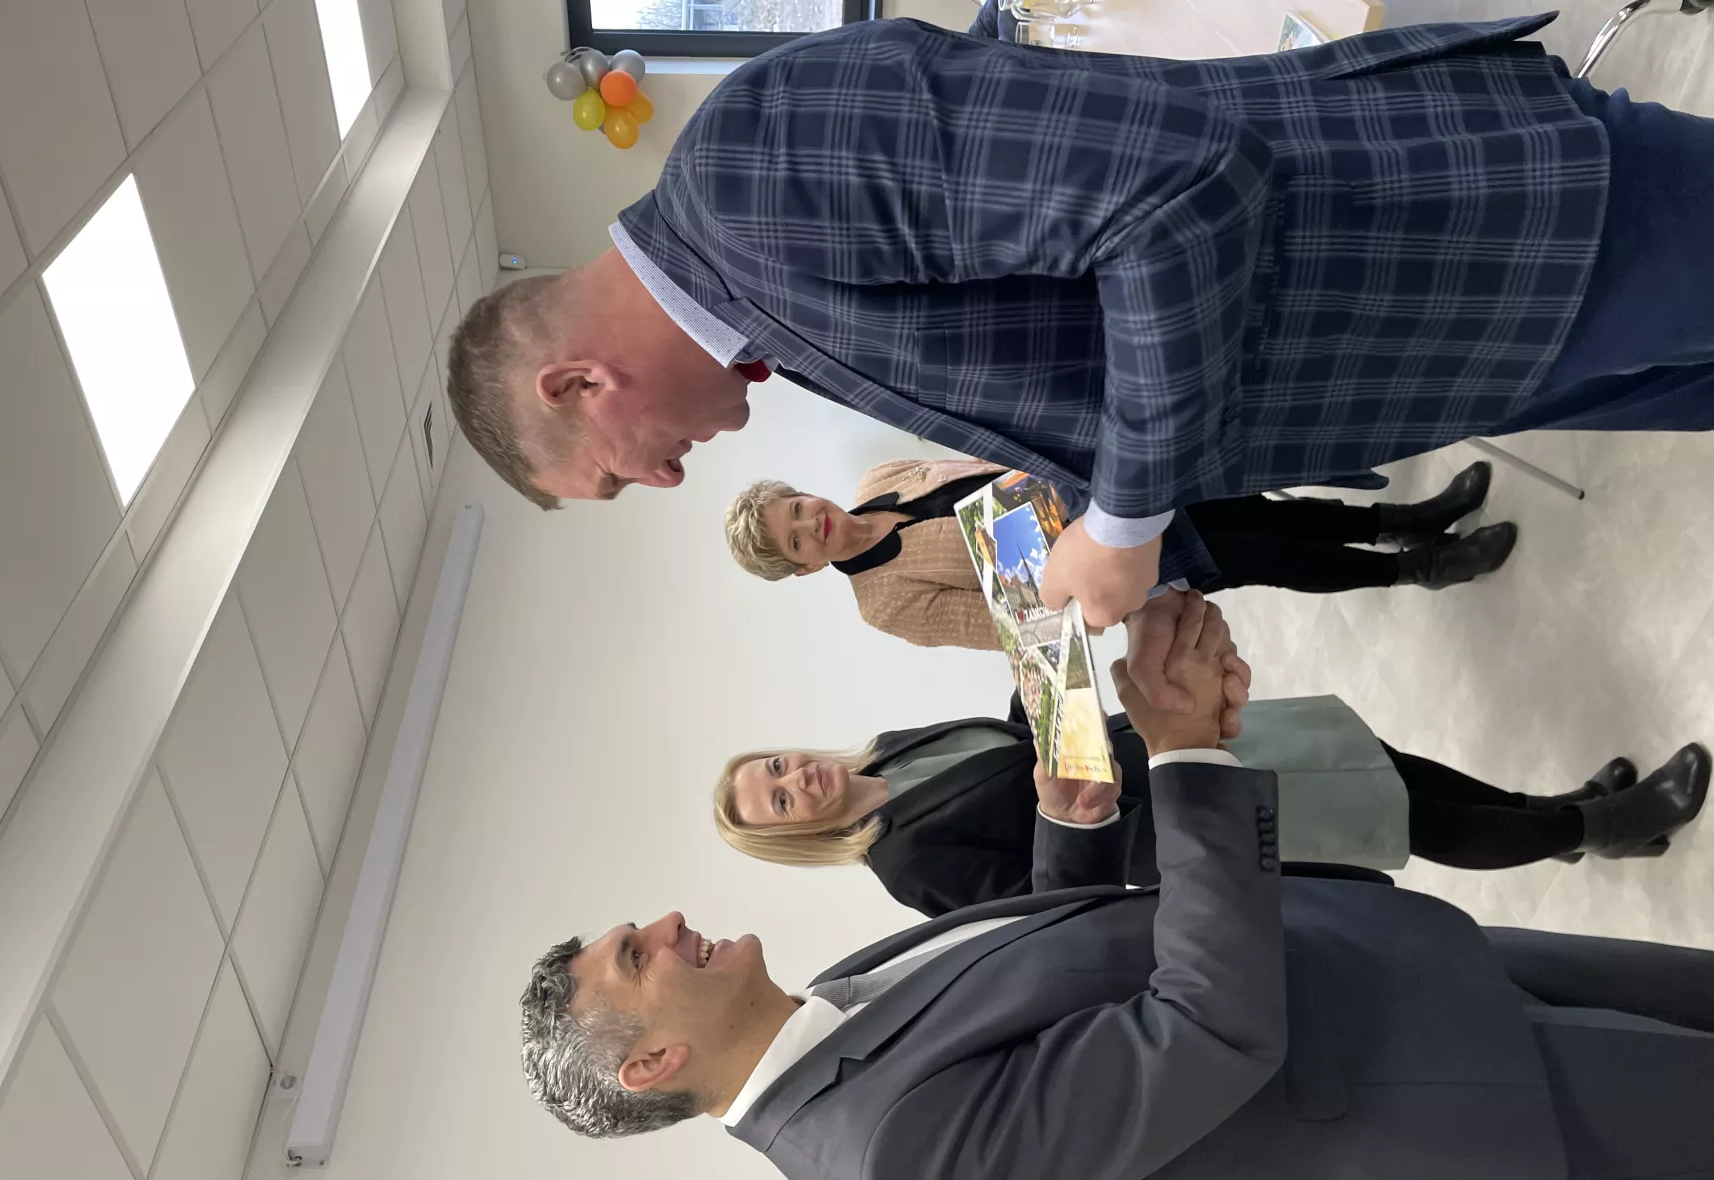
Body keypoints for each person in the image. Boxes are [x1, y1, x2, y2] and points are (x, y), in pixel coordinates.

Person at [446, 14, 1714, 718]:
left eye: (613, 477)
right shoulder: (763, 297)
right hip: (1456, 343)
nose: (664, 483)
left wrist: (1125, 520)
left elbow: (1179, 191)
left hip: (1478, 224)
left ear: (577, 386)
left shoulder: (748, 174)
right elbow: (1071, 361)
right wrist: (1123, 557)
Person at [519, 594, 1714, 1180]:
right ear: (651, 1063)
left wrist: (1072, 817)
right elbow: (1205, 1031)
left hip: (1393, 965)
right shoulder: (888, 1168)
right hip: (1439, 1093)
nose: (667, 923)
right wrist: (1185, 758)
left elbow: (1068, 951)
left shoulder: (839, 991)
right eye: (637, 956)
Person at [712, 690, 1707, 916]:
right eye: (779, 800)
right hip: (1180, 817)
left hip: (1169, 736)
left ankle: (1557, 816)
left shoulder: (892, 747)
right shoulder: (903, 863)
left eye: (779, 766)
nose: (797, 779)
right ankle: (1608, 826)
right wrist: (1071, 801)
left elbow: (1018, 749)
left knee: (1381, 764)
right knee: (1399, 818)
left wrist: (1036, 664)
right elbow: (1046, 898)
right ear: (795, 835)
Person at [724, 458, 1514, 651]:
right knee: (1268, 554)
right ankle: (1420, 567)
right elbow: (1013, 627)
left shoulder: (880, 480)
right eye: (796, 540)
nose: (812, 523)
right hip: (1111, 563)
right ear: (802, 568)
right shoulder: (882, 603)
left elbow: (985, 459)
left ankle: (1409, 519)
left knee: (1265, 506)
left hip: (1108, 490)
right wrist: (1030, 543)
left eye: (797, 508)